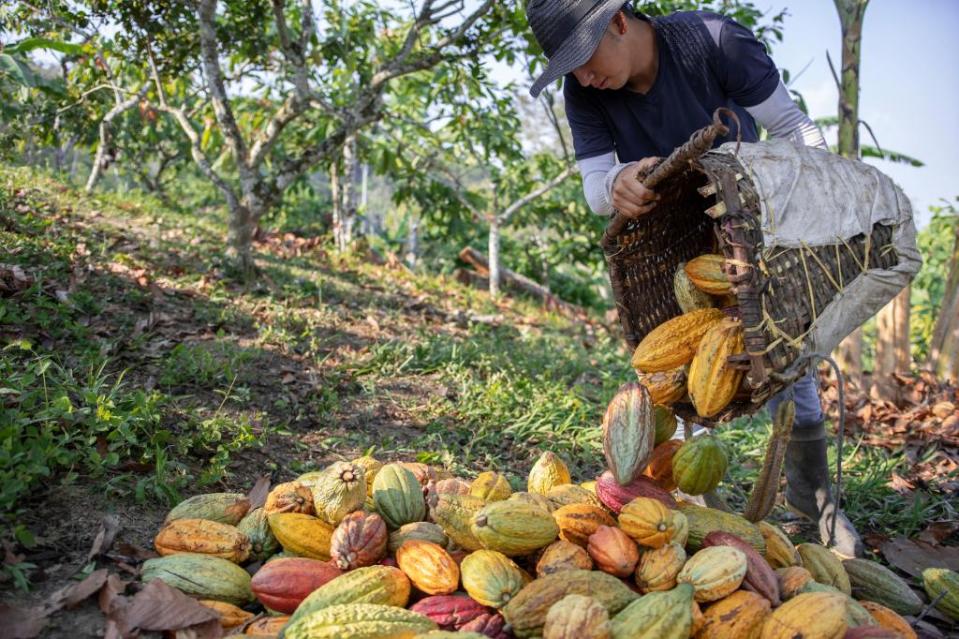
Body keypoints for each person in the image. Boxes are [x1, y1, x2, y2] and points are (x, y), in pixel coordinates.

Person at [525, 0, 864, 557]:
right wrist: (616, 181)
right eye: (569, 68)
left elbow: (796, 128)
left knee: (787, 359)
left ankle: (816, 501)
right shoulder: (584, 90)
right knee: (686, 369)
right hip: (671, 248)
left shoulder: (713, 41)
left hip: (752, 223)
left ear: (617, 21)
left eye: (582, 58)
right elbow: (592, 186)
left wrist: (806, 203)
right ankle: (700, 505)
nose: (583, 77)